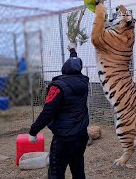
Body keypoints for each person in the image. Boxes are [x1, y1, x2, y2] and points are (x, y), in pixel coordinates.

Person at [29, 44, 90, 179]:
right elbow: (75, 64)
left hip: (64, 139)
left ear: (64, 69)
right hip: (81, 135)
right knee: (78, 168)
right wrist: (73, 51)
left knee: (56, 172)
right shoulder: (84, 82)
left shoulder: (58, 87)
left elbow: (47, 112)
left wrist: (33, 131)